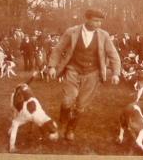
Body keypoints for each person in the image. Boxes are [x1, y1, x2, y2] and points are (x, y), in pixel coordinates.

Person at [48, 9, 122, 141]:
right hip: (73, 69)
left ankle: (71, 129)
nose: (98, 24)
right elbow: (58, 49)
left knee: (81, 105)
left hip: (92, 74)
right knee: (67, 100)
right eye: (95, 20)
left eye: (100, 21)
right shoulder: (72, 32)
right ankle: (62, 125)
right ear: (87, 19)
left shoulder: (104, 35)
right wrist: (52, 66)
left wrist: (116, 73)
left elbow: (113, 54)